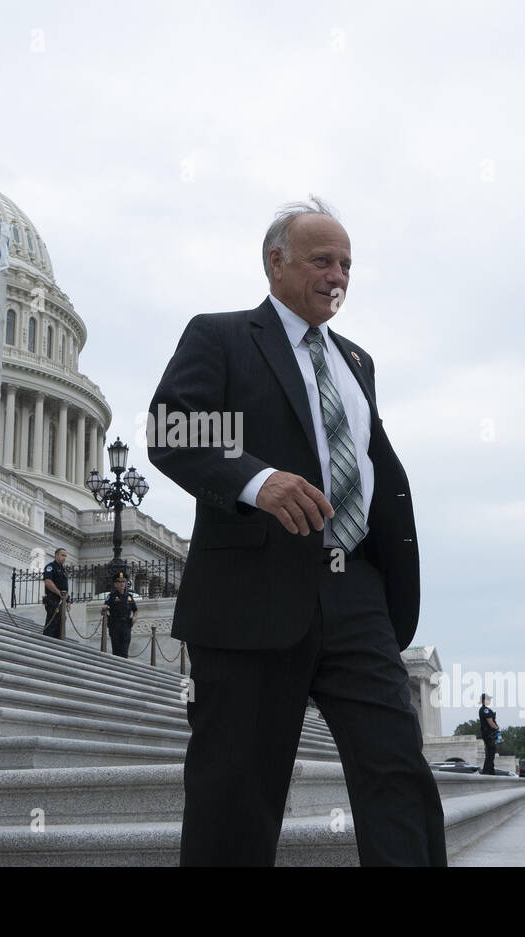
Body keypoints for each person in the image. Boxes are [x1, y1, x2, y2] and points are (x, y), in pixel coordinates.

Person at [148, 197, 445, 866]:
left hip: (356, 586)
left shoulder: (357, 360)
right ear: (275, 263)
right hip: (252, 588)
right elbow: (172, 430)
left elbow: (367, 460)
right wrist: (257, 481)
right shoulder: (221, 335)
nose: (337, 273)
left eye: (346, 263)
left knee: (397, 765)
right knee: (239, 786)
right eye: (322, 260)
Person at [102, 573, 138, 658]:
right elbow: (103, 610)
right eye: (119, 582)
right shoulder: (111, 596)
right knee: (116, 650)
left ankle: (124, 670)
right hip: (115, 625)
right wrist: (104, 608)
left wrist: (134, 616)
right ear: (115, 584)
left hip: (126, 625)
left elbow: (135, 609)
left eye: (123, 582)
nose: (122, 583)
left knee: (125, 649)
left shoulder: (129, 597)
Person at [41, 548, 69, 639]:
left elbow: (64, 587)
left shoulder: (63, 570)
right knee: (52, 622)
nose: (64, 558)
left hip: (61, 601)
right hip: (53, 599)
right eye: (62, 555)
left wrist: (68, 600)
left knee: (61, 622)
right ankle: (47, 643)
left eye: (65, 556)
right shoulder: (51, 567)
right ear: (56, 555)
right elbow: (48, 582)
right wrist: (59, 593)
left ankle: (58, 644)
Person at [478, 694, 499, 775]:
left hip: (487, 734)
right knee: (490, 752)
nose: (490, 701)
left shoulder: (484, 709)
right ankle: (487, 771)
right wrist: (497, 728)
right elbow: (490, 722)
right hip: (489, 734)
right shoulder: (485, 710)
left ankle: (490, 770)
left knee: (490, 752)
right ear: (484, 700)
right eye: (488, 699)